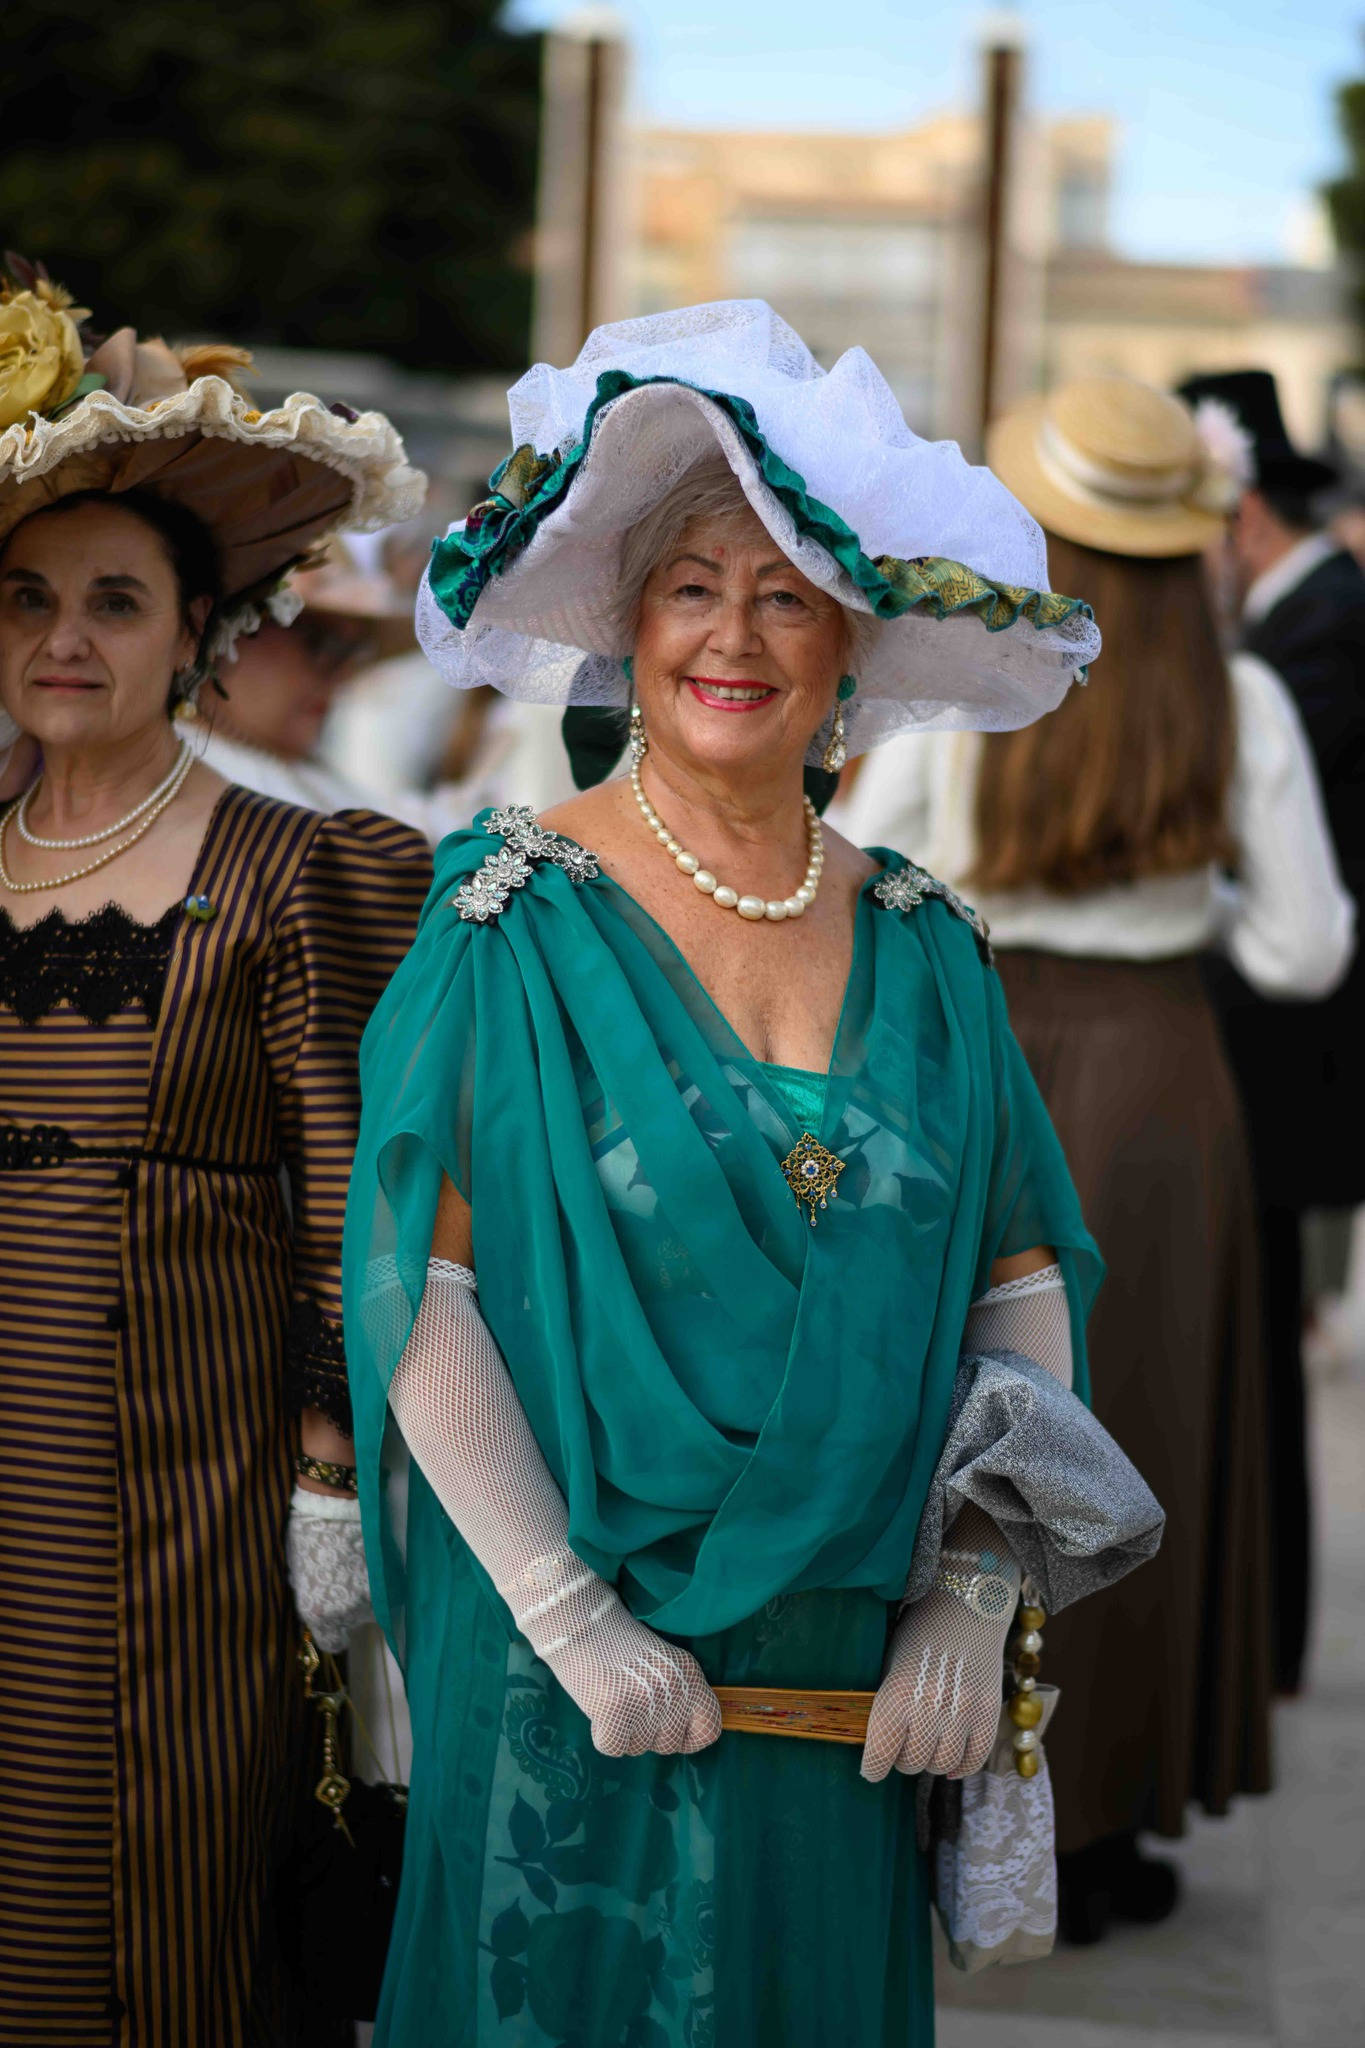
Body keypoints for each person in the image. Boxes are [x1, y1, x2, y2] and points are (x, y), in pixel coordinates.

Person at [341, 301, 1163, 2047]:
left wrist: (971, 1596)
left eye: (785, 594)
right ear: (625, 628)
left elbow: (1019, 1284)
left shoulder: (930, 945)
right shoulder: (508, 915)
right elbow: (426, 1286)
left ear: (850, 644)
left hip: (838, 1674)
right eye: (692, 586)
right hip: (563, 1660)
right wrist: (566, 1614)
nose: (733, 633)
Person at [834, 374, 1354, 1943]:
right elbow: (1305, 950)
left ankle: (937, 1785)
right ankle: (1103, 1824)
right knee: (1139, 1430)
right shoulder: (1239, 697)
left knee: (961, 1424)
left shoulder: (968, 671)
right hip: (1158, 1082)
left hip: (978, 1063)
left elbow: (868, 874)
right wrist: (1184, 904)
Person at [0, 263, 432, 2044]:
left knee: (152, 1874)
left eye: (115, 601)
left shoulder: (295, 866)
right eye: (27, 598)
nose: (65, 640)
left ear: (198, 633)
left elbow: (353, 1195)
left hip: (181, 1485)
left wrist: (328, 1479)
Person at [1178, 369, 1365, 1691]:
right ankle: (1262, 1632)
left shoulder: (1318, 637)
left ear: (1233, 513)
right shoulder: (1308, 619)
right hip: (1280, 1032)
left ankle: (1266, 1633)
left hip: (1288, 1047)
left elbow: (1295, 902)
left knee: (1254, 1363)